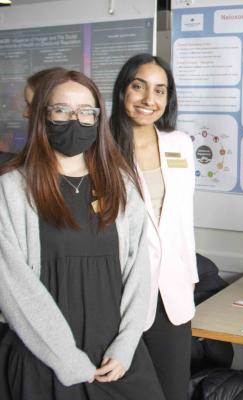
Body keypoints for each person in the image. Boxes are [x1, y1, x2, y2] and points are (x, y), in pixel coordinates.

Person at [0, 70, 165, 399]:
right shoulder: (12, 188)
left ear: (98, 119)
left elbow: (139, 271)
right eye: (61, 109)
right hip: (46, 358)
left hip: (116, 358)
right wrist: (68, 360)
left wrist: (126, 345)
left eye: (86, 111)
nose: (75, 119)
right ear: (42, 115)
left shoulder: (121, 184)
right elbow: (13, 285)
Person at [110, 53, 197, 400]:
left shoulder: (180, 144)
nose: (149, 99)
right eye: (139, 87)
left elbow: (183, 219)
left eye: (160, 91)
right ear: (122, 91)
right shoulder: (99, 146)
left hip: (171, 295)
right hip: (118, 292)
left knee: (172, 391)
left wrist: (189, 276)